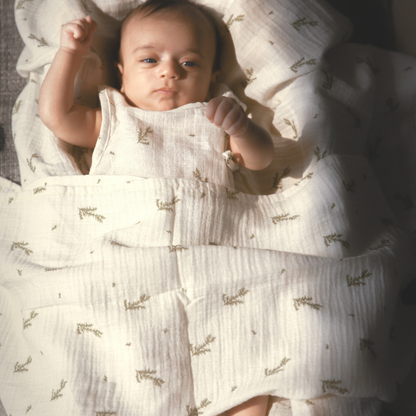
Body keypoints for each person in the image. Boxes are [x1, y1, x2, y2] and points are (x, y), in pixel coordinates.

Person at [39, 1, 272, 413]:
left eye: (189, 63)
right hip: (129, 262)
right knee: (125, 343)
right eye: (150, 59)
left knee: (241, 339)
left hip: (210, 258)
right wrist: (69, 53)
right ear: (121, 72)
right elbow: (56, 115)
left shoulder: (213, 119)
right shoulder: (113, 119)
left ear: (212, 78)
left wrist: (242, 127)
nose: (169, 72)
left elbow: (260, 160)